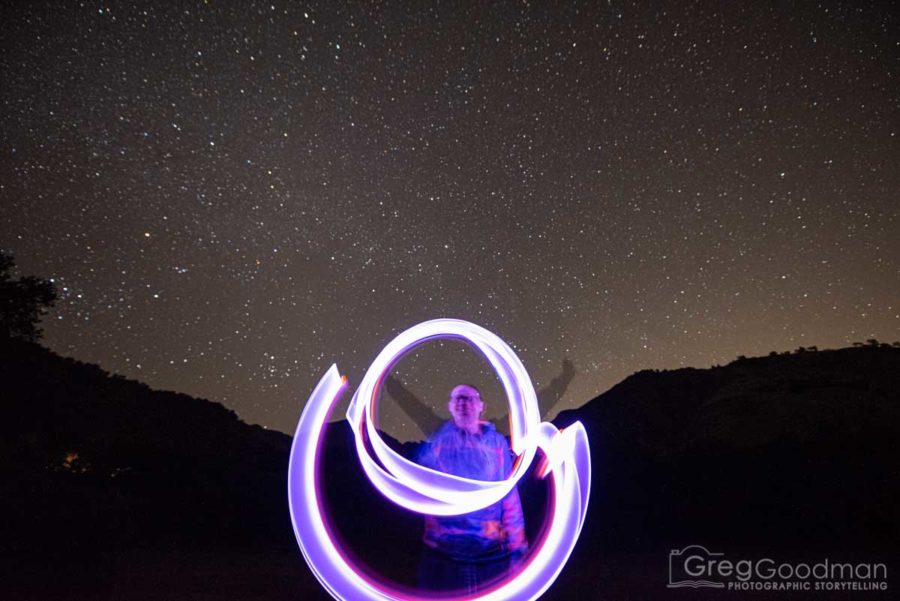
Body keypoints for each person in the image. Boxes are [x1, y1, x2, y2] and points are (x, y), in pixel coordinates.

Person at [416, 384, 528, 594]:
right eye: (457, 398)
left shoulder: (497, 444)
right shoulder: (437, 444)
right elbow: (424, 492)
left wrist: (517, 543)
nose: (462, 402)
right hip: (446, 552)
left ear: (481, 406)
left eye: (468, 398)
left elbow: (509, 494)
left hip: (488, 550)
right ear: (450, 406)